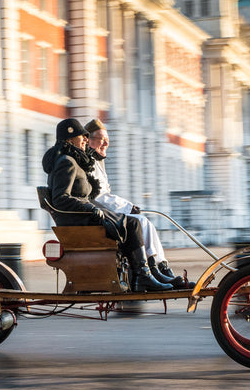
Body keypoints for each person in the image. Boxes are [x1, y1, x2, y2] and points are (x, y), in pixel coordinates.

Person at [41, 118, 172, 292]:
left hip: (79, 216)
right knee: (133, 224)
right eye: (83, 136)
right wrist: (91, 208)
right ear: (70, 138)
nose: (85, 140)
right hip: (78, 219)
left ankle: (147, 274)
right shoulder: (67, 161)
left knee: (132, 223)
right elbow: (61, 198)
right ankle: (143, 276)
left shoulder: (72, 160)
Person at [84, 119, 192, 289]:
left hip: (108, 213)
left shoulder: (97, 162)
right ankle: (148, 272)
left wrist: (128, 207)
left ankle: (161, 269)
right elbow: (98, 197)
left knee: (147, 223)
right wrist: (127, 207)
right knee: (139, 222)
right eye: (101, 139)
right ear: (88, 140)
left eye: (107, 140)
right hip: (100, 215)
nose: (105, 143)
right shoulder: (87, 163)